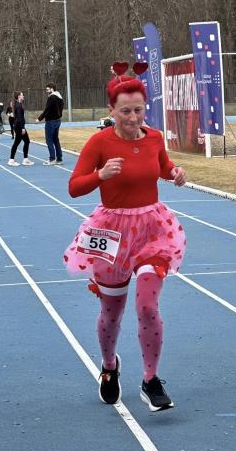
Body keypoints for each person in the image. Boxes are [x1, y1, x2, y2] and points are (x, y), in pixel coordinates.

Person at [64, 72, 187, 412]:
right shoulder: (100, 143)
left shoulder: (154, 137)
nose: (133, 118)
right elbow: (74, 187)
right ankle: (109, 366)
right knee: (111, 312)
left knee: (147, 305)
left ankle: (151, 379)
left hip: (152, 231)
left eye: (139, 110)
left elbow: (162, 166)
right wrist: (100, 175)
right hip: (112, 233)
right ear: (112, 111)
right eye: (126, 112)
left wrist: (175, 173)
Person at [36, 82, 64, 165]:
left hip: (51, 121)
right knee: (56, 140)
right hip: (58, 120)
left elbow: (47, 110)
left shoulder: (52, 97)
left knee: (49, 140)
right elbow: (61, 108)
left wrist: (39, 119)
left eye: (48, 89)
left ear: (52, 88)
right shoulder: (60, 97)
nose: (46, 91)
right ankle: (59, 159)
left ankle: (52, 159)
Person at [8, 91, 33, 166]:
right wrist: (22, 127)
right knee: (17, 142)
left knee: (26, 141)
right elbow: (20, 118)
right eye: (22, 95)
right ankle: (11, 160)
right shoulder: (18, 105)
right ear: (19, 96)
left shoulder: (18, 104)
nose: (23, 96)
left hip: (18, 126)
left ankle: (25, 159)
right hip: (19, 126)